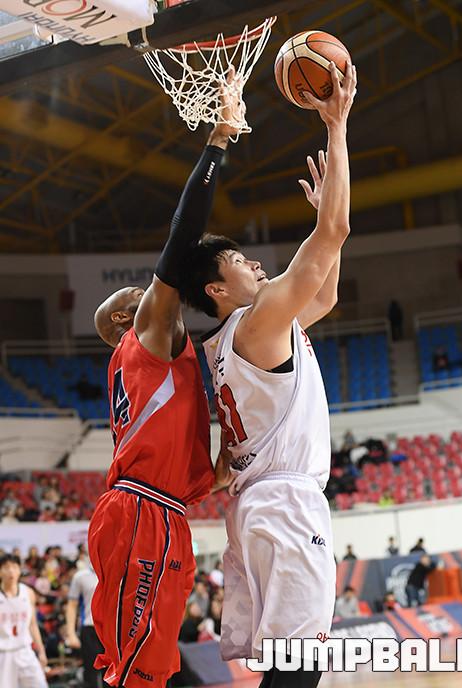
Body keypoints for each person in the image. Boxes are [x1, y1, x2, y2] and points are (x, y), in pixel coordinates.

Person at [179, 62, 357, 688]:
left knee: (283, 667)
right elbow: (333, 231)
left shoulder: (240, 339)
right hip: (283, 505)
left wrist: (329, 222)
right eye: (237, 260)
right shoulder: (255, 326)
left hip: (259, 508)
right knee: (300, 667)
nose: (253, 263)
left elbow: (325, 293)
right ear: (215, 288)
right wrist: (336, 126)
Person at [87, 80, 243, 688]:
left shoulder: (169, 361)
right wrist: (219, 140)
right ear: (126, 320)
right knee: (133, 671)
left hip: (167, 511)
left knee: (155, 667)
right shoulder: (143, 342)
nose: (152, 292)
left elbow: (211, 475)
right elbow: (181, 242)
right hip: (140, 511)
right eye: (140, 294)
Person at [0, 553, 48, 688]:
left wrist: (41, 651)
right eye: (6, 567)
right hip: (3, 654)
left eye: (14, 567)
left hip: (25, 651)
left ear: (19, 570)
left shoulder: (28, 592)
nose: (11, 571)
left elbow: (33, 625)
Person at [66, 560, 103, 688]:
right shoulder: (80, 576)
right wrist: (71, 633)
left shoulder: (118, 571)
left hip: (112, 631)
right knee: (91, 673)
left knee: (113, 673)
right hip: (90, 628)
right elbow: (72, 605)